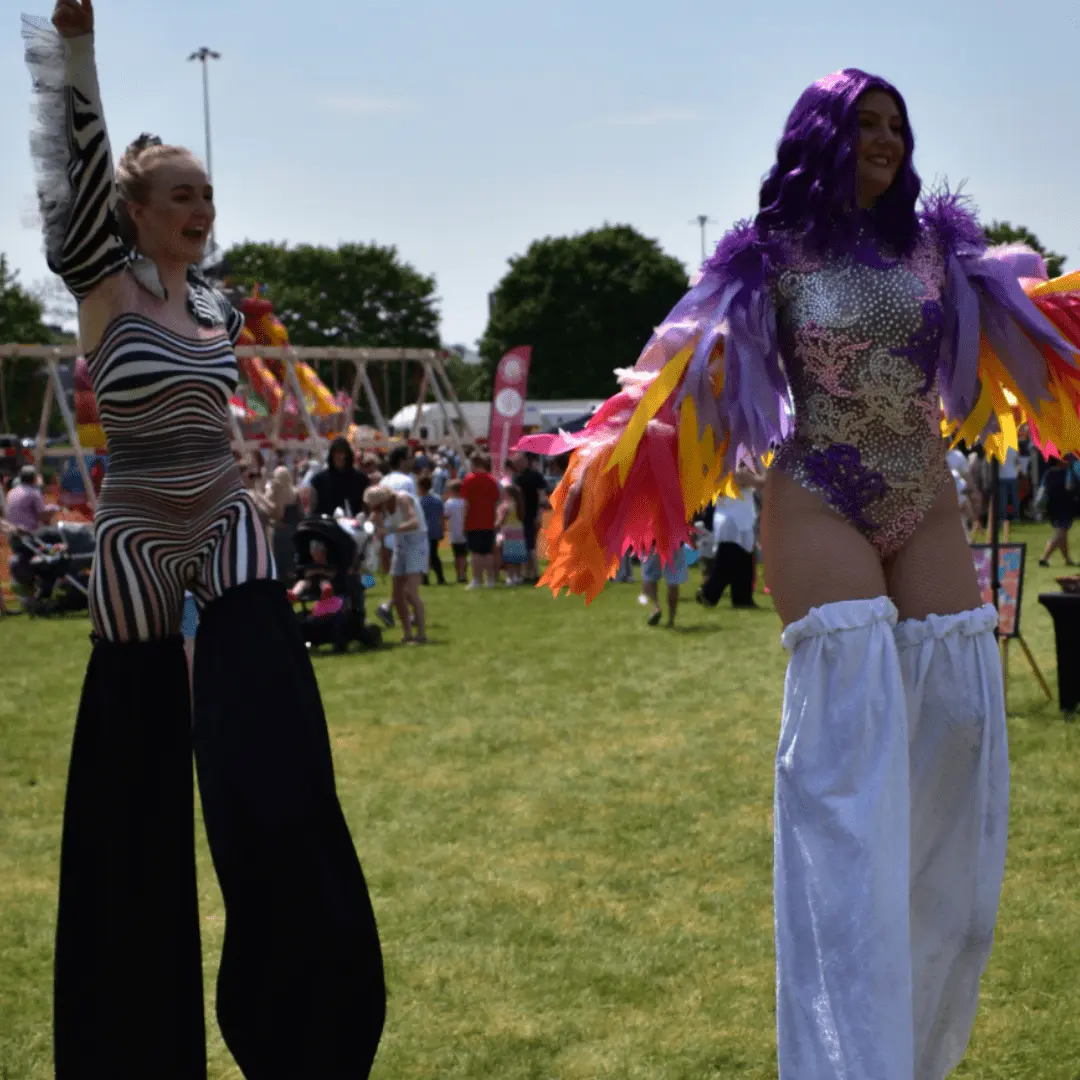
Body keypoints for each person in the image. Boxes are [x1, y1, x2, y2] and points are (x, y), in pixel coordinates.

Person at [520, 67, 1080, 1080]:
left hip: (924, 496)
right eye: (865, 124)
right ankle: (845, 1057)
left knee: (959, 726)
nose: (886, 140)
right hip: (820, 494)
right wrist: (608, 463)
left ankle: (913, 1041)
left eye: (897, 125)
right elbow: (676, 367)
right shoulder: (767, 256)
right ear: (822, 135)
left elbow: (1028, 323)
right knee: (848, 767)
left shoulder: (940, 248)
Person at [21, 4, 385, 1076]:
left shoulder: (220, 309)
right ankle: (133, 1048)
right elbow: (75, 172)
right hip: (135, 537)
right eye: (180, 194)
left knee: (275, 768)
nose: (201, 208)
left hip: (226, 520)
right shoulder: (102, 286)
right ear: (132, 211)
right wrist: (78, 55)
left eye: (208, 194)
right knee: (130, 806)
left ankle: (305, 1030)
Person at [363, 485, 427, 643]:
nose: (375, 510)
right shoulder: (380, 510)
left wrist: (390, 530)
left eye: (376, 506)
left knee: (411, 592)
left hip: (417, 544)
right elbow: (369, 525)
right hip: (400, 545)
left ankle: (421, 634)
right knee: (397, 595)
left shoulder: (402, 499)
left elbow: (414, 522)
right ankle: (407, 633)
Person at [696, 467, 762, 609]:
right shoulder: (736, 473)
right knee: (727, 564)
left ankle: (742, 599)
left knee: (743, 564)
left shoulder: (719, 471)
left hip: (733, 519)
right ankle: (708, 593)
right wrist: (771, 471)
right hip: (734, 523)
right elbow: (760, 482)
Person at [461, 452, 500, 588]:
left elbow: (466, 503)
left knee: (475, 552)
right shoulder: (492, 479)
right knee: (488, 552)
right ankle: (490, 579)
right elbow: (496, 501)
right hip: (489, 521)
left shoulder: (469, 479)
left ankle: (477, 579)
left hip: (473, 521)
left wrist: (463, 521)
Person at [309, 435, 369, 519]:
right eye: (337, 453)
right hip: (326, 524)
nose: (341, 457)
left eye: (344, 452)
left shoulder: (361, 479)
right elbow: (312, 507)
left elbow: (366, 507)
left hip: (354, 524)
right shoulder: (319, 480)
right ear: (332, 455)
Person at [512, 452, 550, 583]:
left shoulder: (533, 476)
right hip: (522, 515)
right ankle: (527, 573)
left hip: (531, 515)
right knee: (526, 544)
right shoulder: (517, 477)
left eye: (519, 462)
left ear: (525, 461)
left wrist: (539, 514)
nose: (517, 465)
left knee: (530, 544)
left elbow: (542, 496)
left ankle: (534, 573)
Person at [1036, 457, 1077, 567]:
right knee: (1061, 532)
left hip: (1052, 506)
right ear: (1059, 461)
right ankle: (1044, 557)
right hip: (1064, 505)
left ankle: (1067, 559)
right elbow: (1071, 487)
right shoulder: (1066, 472)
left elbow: (1043, 489)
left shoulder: (1048, 473)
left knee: (1062, 533)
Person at [266, 465, 301, 583]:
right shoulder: (295, 492)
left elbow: (271, 511)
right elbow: (301, 513)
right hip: (293, 530)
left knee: (280, 558)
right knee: (291, 559)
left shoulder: (273, 492)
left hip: (279, 530)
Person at [640, 543, 688, 627]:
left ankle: (656, 607)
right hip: (674, 541)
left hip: (652, 541)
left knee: (650, 575)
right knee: (673, 580)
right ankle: (671, 620)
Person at [495, 480, 527, 585]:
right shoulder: (519, 505)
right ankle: (518, 576)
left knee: (509, 557)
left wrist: (494, 525)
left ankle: (510, 577)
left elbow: (501, 520)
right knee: (517, 556)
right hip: (519, 531)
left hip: (508, 531)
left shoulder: (505, 506)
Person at [417, 473, 446, 585]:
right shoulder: (437, 500)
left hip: (423, 531)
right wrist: (442, 530)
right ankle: (440, 577)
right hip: (434, 529)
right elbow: (441, 516)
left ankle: (425, 578)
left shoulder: (419, 501)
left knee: (423, 555)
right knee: (434, 555)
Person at [443, 478, 469, 583]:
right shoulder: (465, 502)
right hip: (464, 531)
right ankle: (463, 574)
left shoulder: (449, 503)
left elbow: (445, 515)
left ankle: (459, 574)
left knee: (457, 555)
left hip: (454, 532)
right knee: (463, 555)